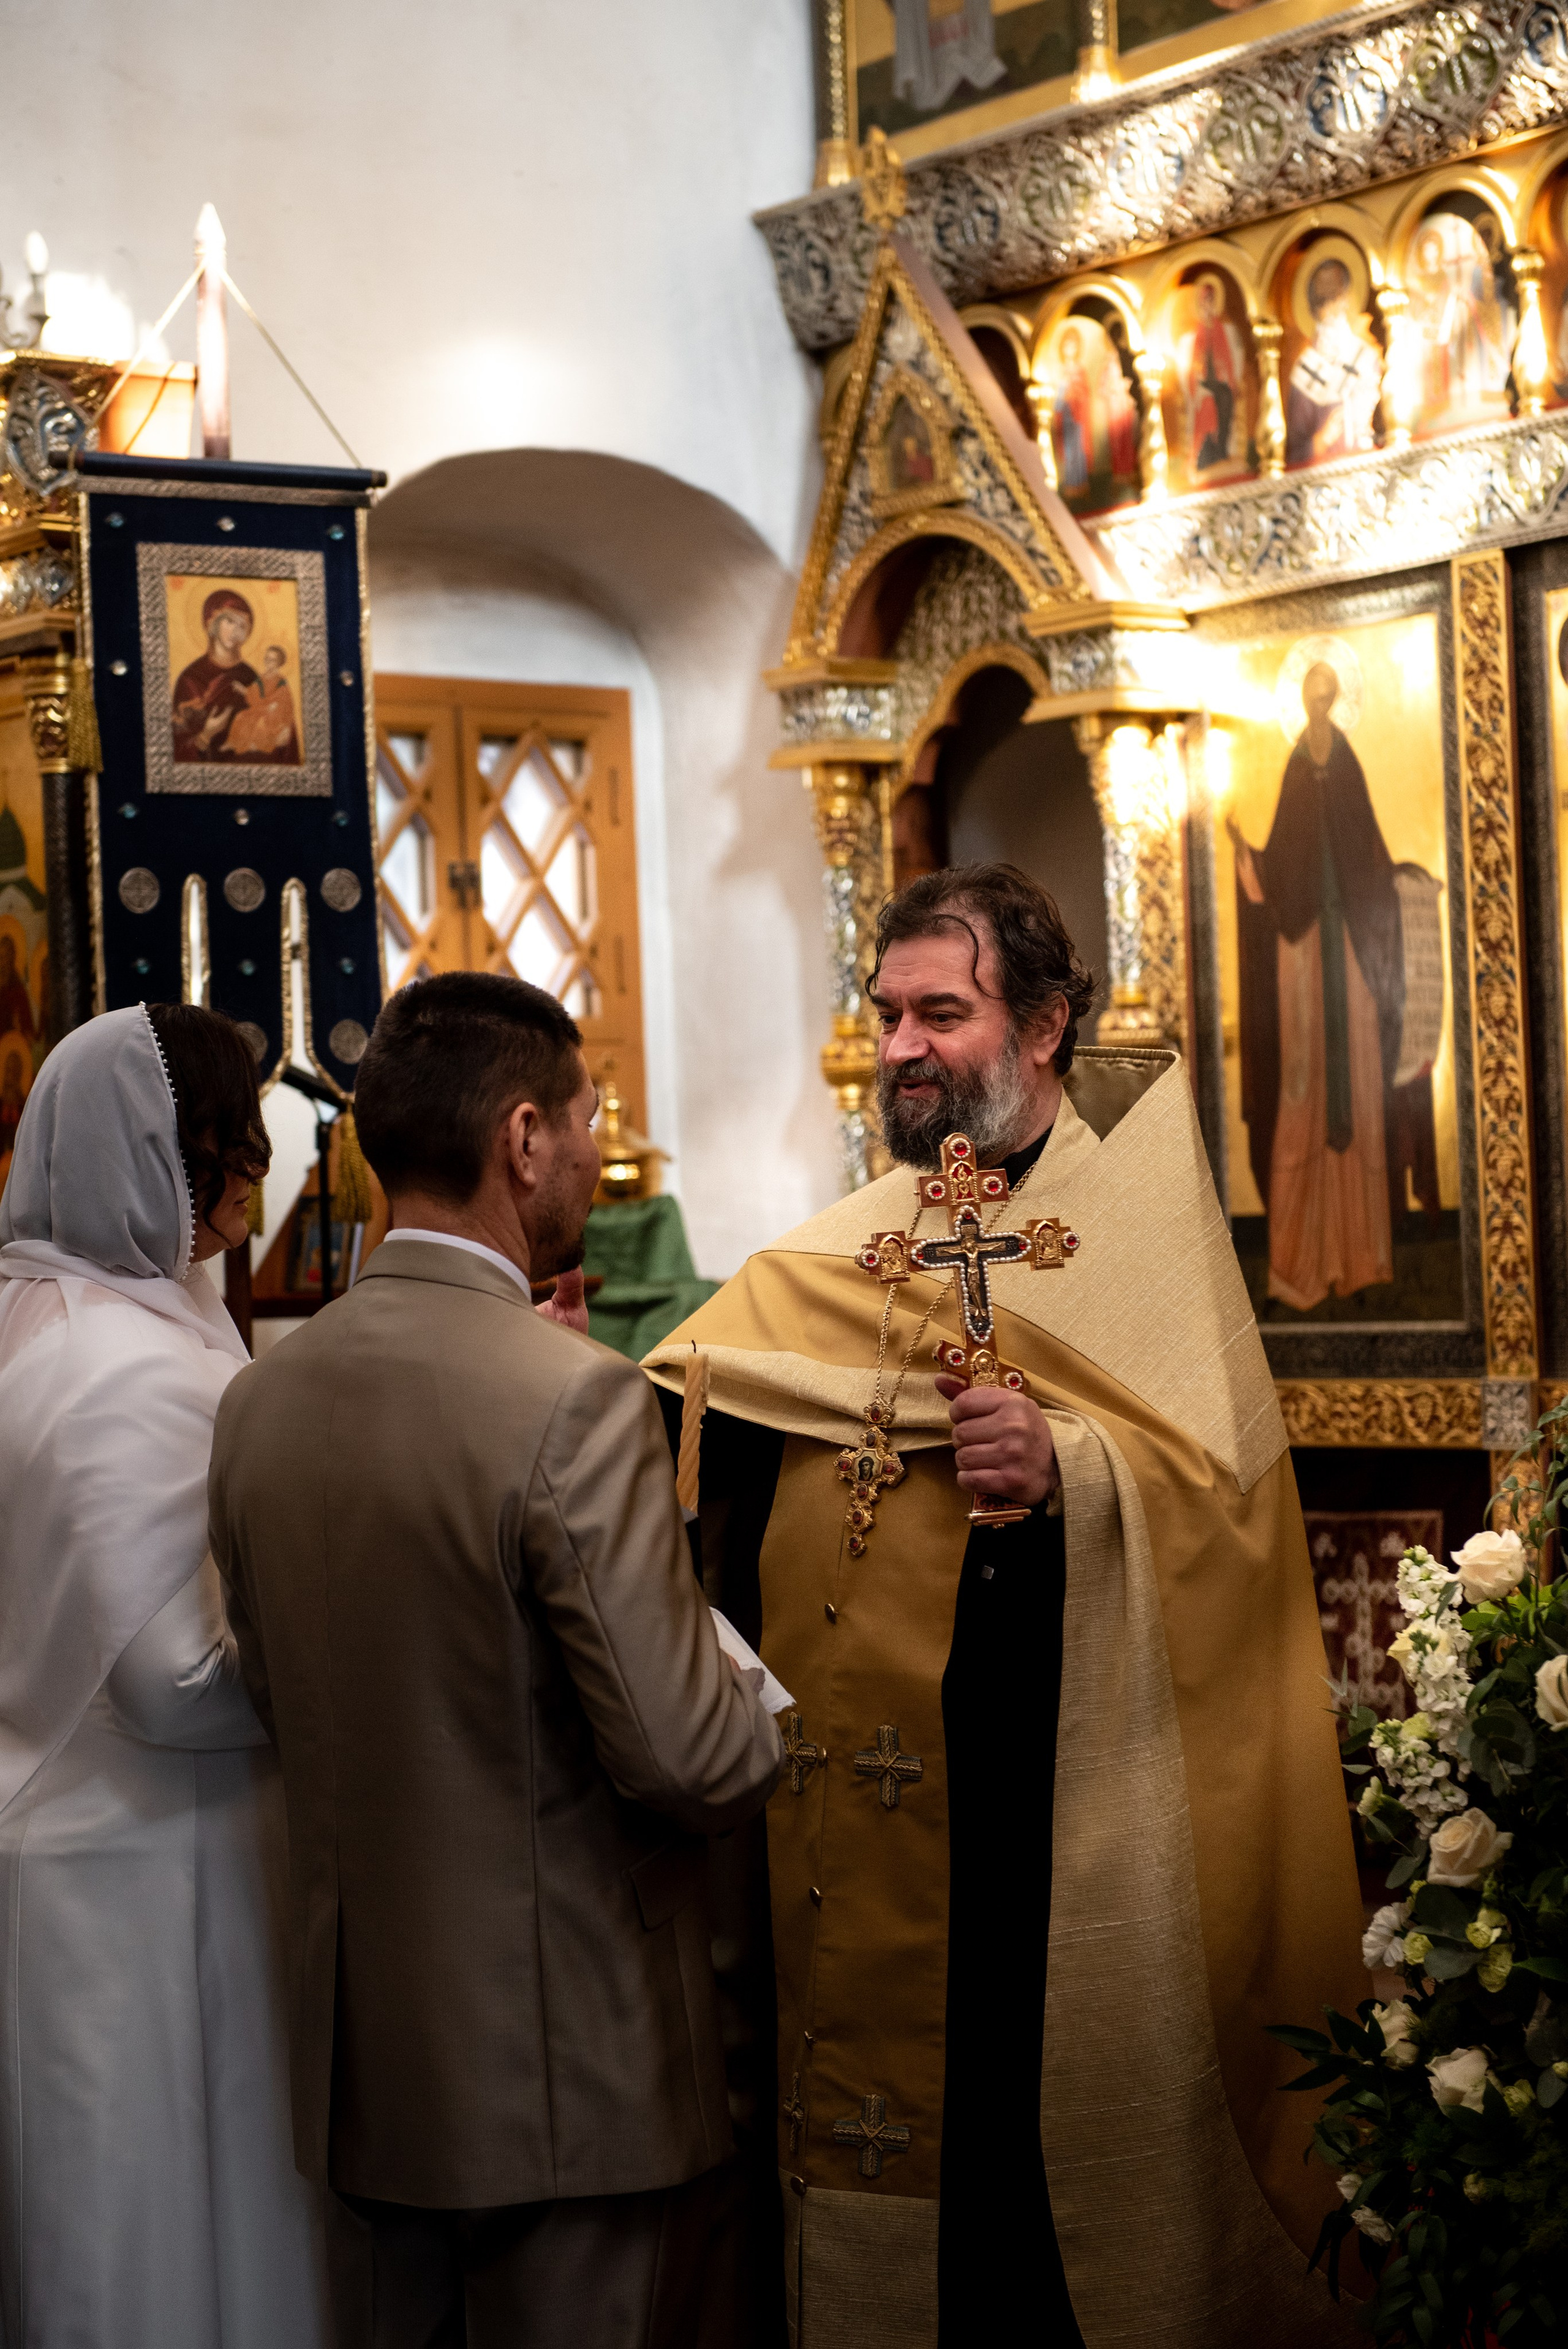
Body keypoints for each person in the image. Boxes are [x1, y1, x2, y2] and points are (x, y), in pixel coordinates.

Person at [644, 863, 1365, 2349]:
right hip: (859, 1816)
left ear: (1041, 1027)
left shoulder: (1146, 1244)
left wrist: (1074, 1470)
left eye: (941, 1012)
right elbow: (691, 1433)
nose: (902, 1044)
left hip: (1057, 1807)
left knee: (1031, 2191)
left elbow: (1228, 1532)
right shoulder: (838, 1253)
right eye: (887, 1011)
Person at [207, 970, 785, 2349]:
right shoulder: (570, 1397)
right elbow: (689, 1754)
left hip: (372, 2071)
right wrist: (759, 1698)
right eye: (585, 1117)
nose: (596, 1146)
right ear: (521, 1139)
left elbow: (277, 1699)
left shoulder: (258, 1394)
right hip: (571, 2074)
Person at [0, 1002, 330, 2349]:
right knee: (158, 2227)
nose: (253, 1187)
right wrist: (354, 1656)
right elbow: (175, 1679)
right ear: (160, 1161)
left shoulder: (58, 1310)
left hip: (89, 1830)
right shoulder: (119, 1368)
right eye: (228, 1153)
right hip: (146, 1865)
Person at [1230, 658, 1439, 1308]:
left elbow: (1367, 853)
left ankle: (1362, 1262)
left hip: (1352, 952)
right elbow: (1282, 861)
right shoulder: (1297, 766)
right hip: (1299, 953)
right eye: (1311, 701)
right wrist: (1248, 856)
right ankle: (1299, 1265)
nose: (1319, 712)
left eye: (1327, 700)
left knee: (1362, 1087)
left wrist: (1404, 882)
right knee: (1302, 1095)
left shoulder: (1345, 765)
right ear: (1301, 703)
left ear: (1337, 702)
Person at [172, 587, 259, 761]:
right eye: (229, 621)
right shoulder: (190, 678)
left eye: (242, 625)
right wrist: (206, 735)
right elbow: (175, 747)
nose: (235, 631)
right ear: (213, 622)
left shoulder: (251, 677)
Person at [227, 643, 300, 761]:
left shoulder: (281, 681)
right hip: (262, 709)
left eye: (272, 660)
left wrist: (274, 706)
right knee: (241, 716)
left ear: (279, 663)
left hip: (276, 715)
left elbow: (284, 701)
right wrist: (243, 690)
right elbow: (252, 693)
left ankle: (257, 744)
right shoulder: (262, 678)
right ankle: (234, 742)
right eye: (267, 659)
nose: (268, 662)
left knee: (261, 722)